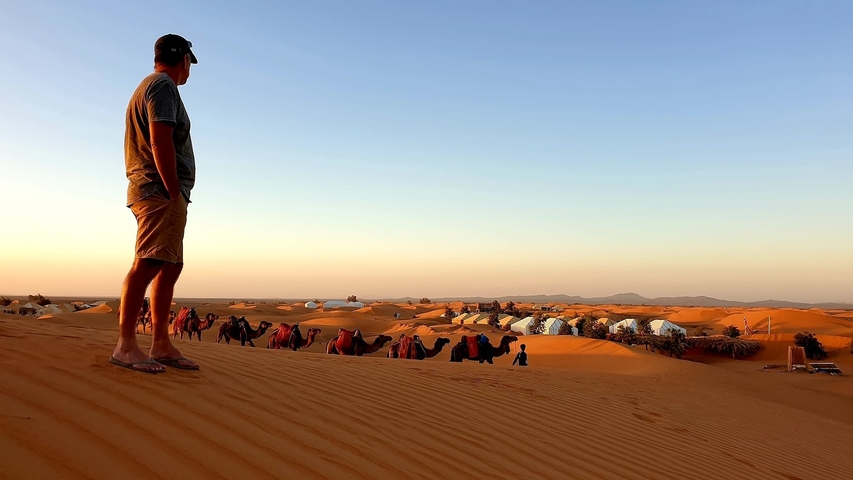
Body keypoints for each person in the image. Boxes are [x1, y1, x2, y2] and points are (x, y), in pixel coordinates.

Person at [110, 34, 200, 373]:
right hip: (159, 191)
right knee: (148, 262)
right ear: (183, 59)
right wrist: (173, 189)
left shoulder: (153, 86)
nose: (190, 69)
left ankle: (161, 342)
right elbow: (160, 141)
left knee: (169, 264)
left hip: (162, 191)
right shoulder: (162, 86)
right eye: (190, 62)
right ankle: (126, 345)